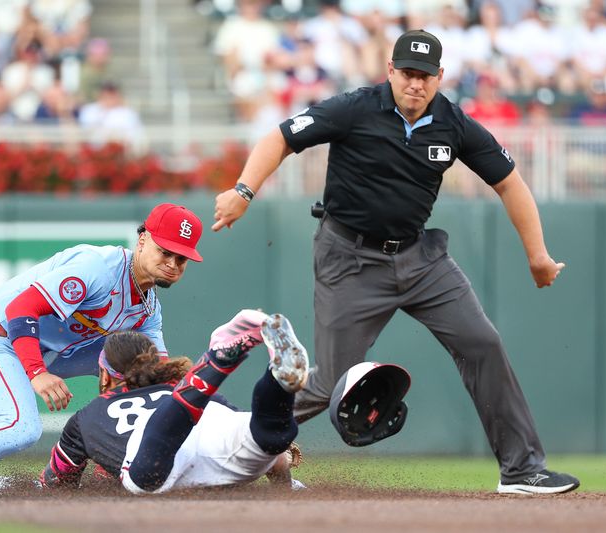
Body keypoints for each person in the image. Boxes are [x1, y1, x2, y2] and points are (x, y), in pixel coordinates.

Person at [212, 29, 580, 495]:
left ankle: (522, 469)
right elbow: (281, 138)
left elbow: (509, 182)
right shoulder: (354, 108)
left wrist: (538, 255)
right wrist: (244, 190)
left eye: (426, 76)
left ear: (440, 77)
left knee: (482, 342)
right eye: (407, 73)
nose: (416, 84)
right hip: (349, 258)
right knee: (328, 384)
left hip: (420, 258)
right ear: (390, 71)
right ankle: (232, 443)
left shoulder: (454, 124)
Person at [0, 203, 204, 496]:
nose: (173, 263)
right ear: (142, 239)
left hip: (49, 351)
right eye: (165, 251)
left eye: (182, 258)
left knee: (146, 372)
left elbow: (161, 382)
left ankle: (114, 457)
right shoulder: (99, 268)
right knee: (21, 428)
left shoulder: (148, 310)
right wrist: (36, 373)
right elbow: (21, 308)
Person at [37, 309, 309, 493]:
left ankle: (217, 361)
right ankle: (276, 379)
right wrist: (282, 480)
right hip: (212, 428)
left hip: (155, 457)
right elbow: (277, 460)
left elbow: (57, 482)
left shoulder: (86, 417)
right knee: (268, 434)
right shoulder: (172, 387)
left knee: (151, 463)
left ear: (105, 375)